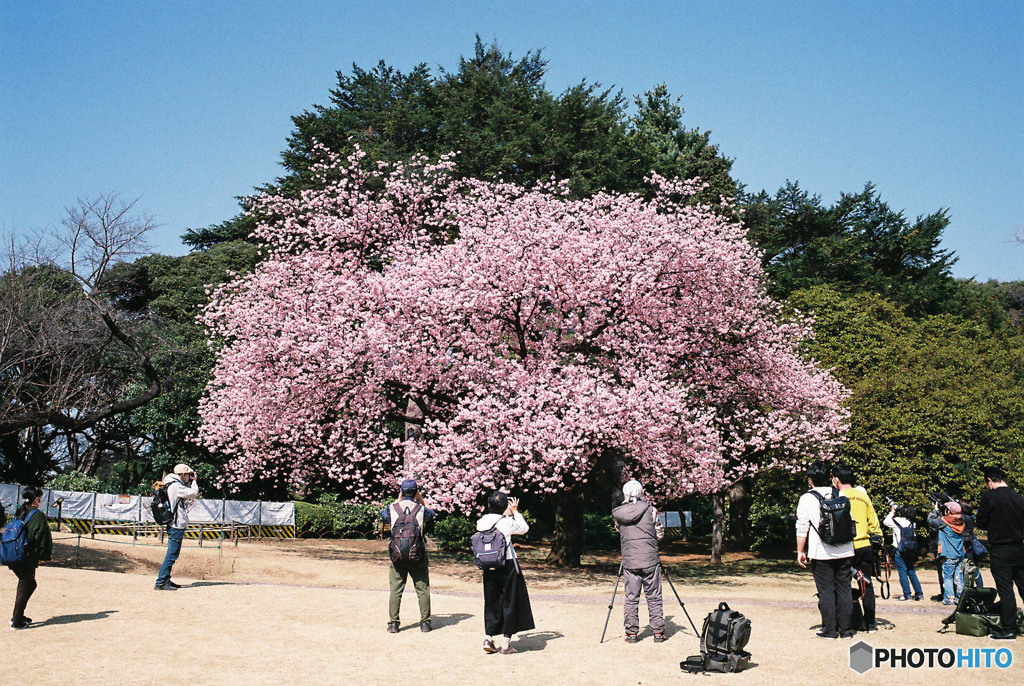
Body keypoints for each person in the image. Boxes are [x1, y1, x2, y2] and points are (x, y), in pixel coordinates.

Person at [796, 461, 855, 639]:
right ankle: (846, 630)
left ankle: (829, 630)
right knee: (845, 590)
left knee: (826, 591)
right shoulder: (839, 494)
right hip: (845, 549)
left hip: (821, 551)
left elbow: (802, 527)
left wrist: (800, 550)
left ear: (810, 480)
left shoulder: (807, 498)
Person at [476, 490, 534, 654]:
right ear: (505, 506)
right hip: (507, 564)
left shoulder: (482, 521)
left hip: (489, 565)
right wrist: (515, 512)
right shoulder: (506, 522)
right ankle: (506, 645)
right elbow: (524, 528)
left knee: (492, 601)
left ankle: (488, 637)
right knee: (511, 601)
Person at [611, 479, 666, 643]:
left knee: (631, 598)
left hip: (630, 561)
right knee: (654, 596)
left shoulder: (620, 513)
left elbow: (619, 530)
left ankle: (631, 633)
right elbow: (660, 534)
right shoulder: (651, 510)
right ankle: (658, 632)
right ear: (641, 492)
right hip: (650, 559)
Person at [832, 464, 882, 633]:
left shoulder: (837, 496)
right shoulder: (863, 496)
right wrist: (878, 541)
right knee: (866, 584)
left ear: (836, 479)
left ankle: (849, 623)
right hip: (865, 545)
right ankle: (871, 623)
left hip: (846, 547)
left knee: (843, 585)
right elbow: (874, 523)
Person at [975, 466, 1024, 641]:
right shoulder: (1018, 497)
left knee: (1006, 591)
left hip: (1000, 549)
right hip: (1020, 547)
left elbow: (980, 522)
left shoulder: (990, 498)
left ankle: (1009, 629)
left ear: (989, 480)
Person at [380, 479, 435, 633]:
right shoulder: (421, 510)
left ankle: (393, 623)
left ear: (402, 492)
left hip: (397, 556)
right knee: (422, 589)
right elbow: (433, 512)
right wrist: (421, 499)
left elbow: (383, 514)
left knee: (396, 590)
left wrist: (399, 499)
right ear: (416, 491)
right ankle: (425, 623)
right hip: (418, 555)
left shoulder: (392, 508)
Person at [8, 486, 52, 629]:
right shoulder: (38, 515)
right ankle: (16, 621)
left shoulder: (19, 511)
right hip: (27, 556)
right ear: (36, 499)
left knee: (27, 583)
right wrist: (43, 556)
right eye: (40, 498)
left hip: (14, 554)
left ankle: (17, 616)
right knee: (27, 584)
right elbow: (43, 538)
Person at [155, 464, 200, 591]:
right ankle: (161, 581)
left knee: (172, 553)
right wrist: (194, 481)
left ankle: (166, 579)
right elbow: (194, 493)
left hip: (174, 524)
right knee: (172, 554)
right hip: (176, 525)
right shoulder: (176, 486)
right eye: (188, 475)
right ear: (183, 475)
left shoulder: (171, 484)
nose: (189, 478)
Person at [928, 499, 965, 605]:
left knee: (948, 577)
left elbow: (931, 520)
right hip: (960, 553)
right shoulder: (961, 520)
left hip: (949, 554)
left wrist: (935, 510)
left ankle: (949, 599)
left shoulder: (945, 521)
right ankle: (959, 598)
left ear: (949, 511)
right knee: (958, 577)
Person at [883, 504, 923, 601]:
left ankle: (907, 594)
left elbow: (885, 521)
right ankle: (919, 594)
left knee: (902, 572)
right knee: (911, 571)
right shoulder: (912, 523)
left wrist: (892, 511)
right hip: (910, 549)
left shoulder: (897, 521)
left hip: (899, 550)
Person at [958, 500, 985, 589]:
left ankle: (964, 587)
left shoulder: (962, 518)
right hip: (970, 542)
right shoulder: (971, 517)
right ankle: (979, 585)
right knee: (973, 566)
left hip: (964, 543)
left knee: (964, 566)